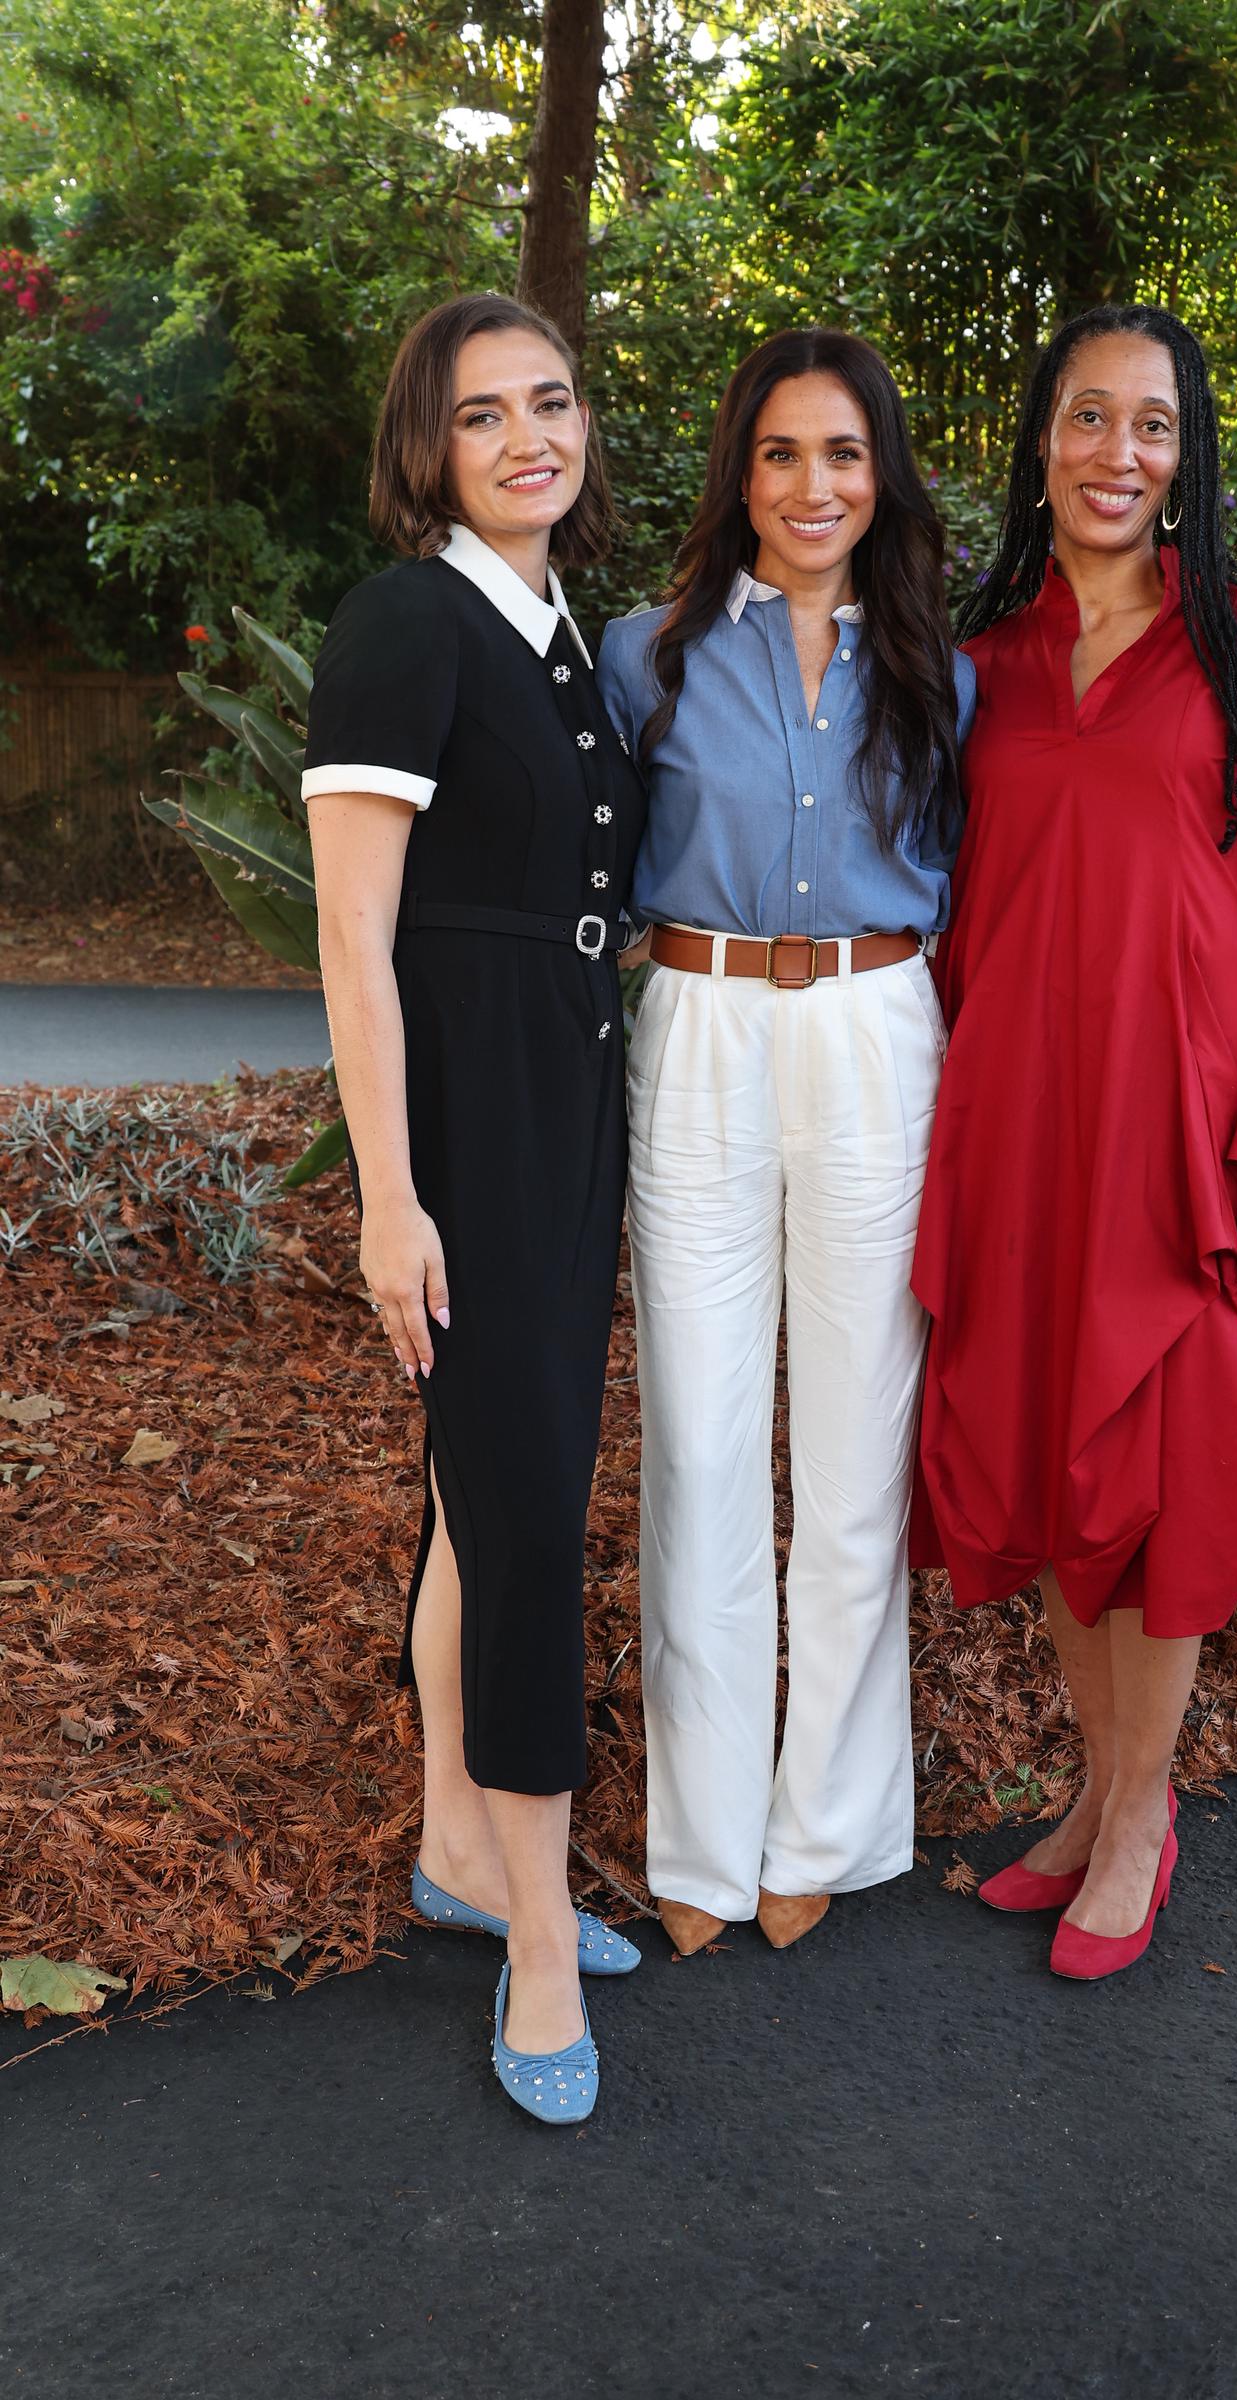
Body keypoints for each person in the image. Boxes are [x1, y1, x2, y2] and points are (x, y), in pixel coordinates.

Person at [912, 302, 1237, 1980]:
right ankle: (1100, 1801)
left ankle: (1143, 1817)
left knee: (1161, 1490)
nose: (1119, 454)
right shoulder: (981, 659)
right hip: (1026, 1129)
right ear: (1042, 438)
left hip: (1187, 1137)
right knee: (1055, 1476)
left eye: (1153, 426)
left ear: (1188, 459)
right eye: (1089, 419)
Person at [301, 292, 647, 2121]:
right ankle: (530, 1945)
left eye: (554, 402)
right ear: (426, 447)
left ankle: (458, 1848)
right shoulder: (403, 622)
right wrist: (390, 1202)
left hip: (568, 1099)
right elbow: (355, 944)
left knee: (481, 1506)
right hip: (475, 1129)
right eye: (484, 413)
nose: (530, 436)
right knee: (520, 1528)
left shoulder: (557, 633)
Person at [597, 329, 976, 1956]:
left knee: (850, 1454)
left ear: (879, 473)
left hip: (878, 1036)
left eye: (841, 454)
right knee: (695, 1440)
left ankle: (821, 1825)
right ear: (737, 473)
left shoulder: (939, 672)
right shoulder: (648, 655)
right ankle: (700, 1844)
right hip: (700, 1029)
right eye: (778, 454)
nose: (811, 485)